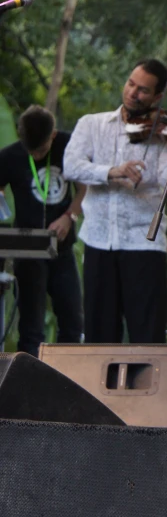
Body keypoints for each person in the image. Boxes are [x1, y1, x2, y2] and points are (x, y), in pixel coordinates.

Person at [63, 58, 167, 344]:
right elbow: (71, 166)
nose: (132, 93)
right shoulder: (92, 125)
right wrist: (111, 171)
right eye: (131, 84)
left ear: (157, 97)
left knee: (147, 334)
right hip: (98, 241)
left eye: (142, 90)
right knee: (99, 335)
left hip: (144, 243)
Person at [0, 105, 85, 356]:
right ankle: (29, 384)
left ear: (54, 135)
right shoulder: (9, 157)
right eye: (31, 150)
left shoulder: (69, 145)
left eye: (42, 149)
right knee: (31, 328)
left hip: (62, 245)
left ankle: (68, 381)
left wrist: (70, 216)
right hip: (27, 249)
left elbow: (84, 187)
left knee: (72, 320)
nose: (36, 155)